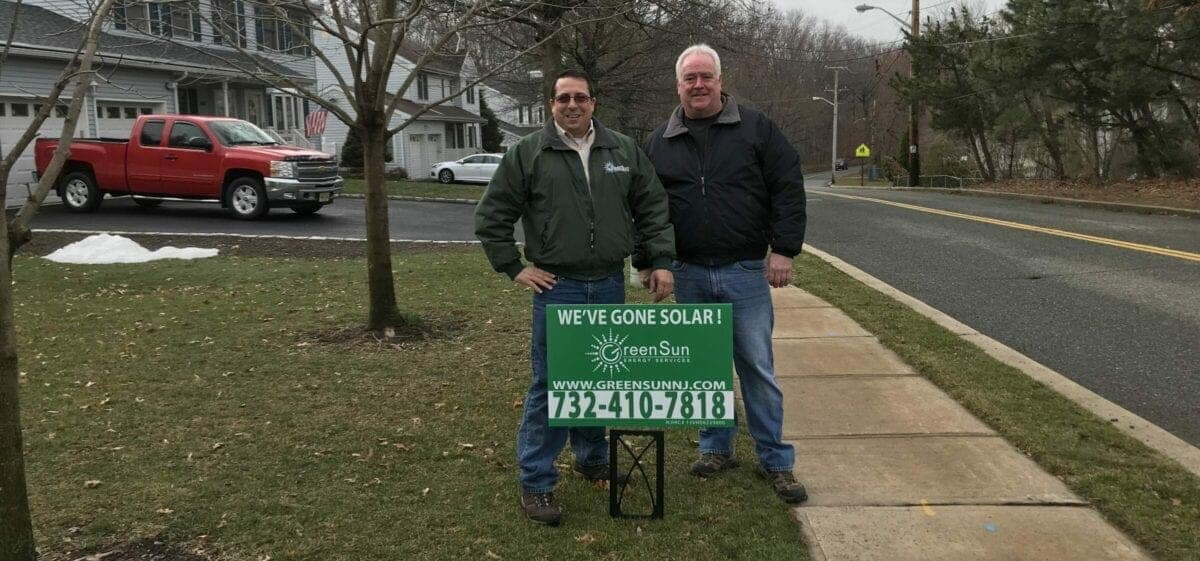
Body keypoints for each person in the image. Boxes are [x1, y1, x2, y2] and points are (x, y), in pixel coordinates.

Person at [475, 70, 676, 526]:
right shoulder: (529, 153)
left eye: (580, 97)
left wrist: (659, 260)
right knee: (553, 385)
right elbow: (492, 215)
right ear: (551, 105)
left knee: (601, 378)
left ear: (594, 103)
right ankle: (537, 481)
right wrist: (513, 265)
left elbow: (652, 208)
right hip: (558, 286)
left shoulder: (622, 150)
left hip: (607, 284)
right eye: (563, 98)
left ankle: (591, 457)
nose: (572, 105)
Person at [639, 44, 808, 504]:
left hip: (745, 270)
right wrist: (649, 261)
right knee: (704, 370)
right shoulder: (659, 142)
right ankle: (716, 448)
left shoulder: (757, 130)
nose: (698, 85)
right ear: (678, 85)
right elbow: (644, 208)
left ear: (719, 81)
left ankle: (776, 460)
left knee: (756, 367)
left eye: (705, 76)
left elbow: (788, 187)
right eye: (689, 77)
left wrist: (784, 250)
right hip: (687, 272)